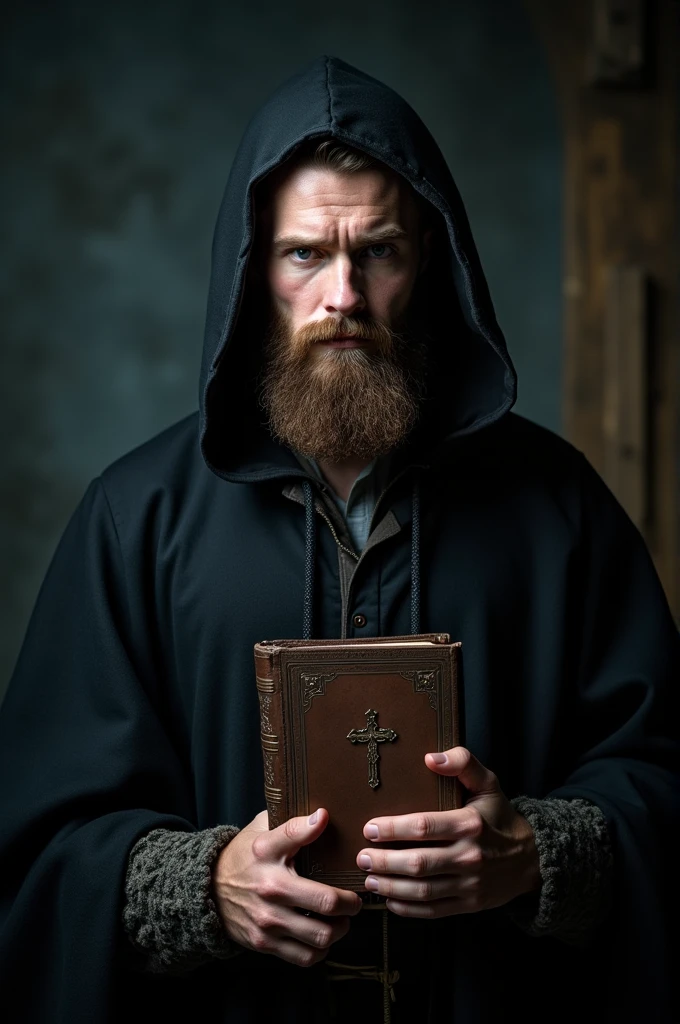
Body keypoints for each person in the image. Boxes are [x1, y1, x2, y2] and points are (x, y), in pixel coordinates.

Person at [0, 55, 677, 1024]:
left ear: (429, 264)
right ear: (251, 272)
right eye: (304, 254)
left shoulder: (555, 503)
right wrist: (199, 885)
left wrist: (536, 850)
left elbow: (658, 776)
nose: (343, 295)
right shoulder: (134, 516)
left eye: (380, 252)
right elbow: (36, 840)